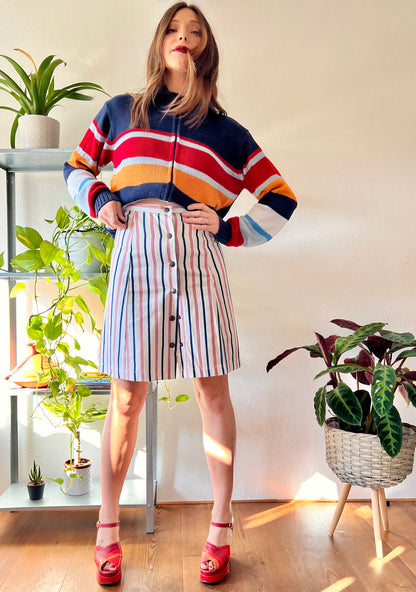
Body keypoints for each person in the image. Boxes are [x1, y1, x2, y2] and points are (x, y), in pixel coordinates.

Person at [64, 2, 297, 585]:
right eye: (174, 28)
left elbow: (280, 197)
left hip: (198, 261)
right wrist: (100, 200)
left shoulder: (227, 132)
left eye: (196, 31)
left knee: (211, 391)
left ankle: (220, 526)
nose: (184, 38)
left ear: (206, 49)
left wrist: (228, 227)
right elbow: (75, 168)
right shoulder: (120, 113)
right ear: (160, 41)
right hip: (135, 253)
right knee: (125, 398)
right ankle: (108, 527)